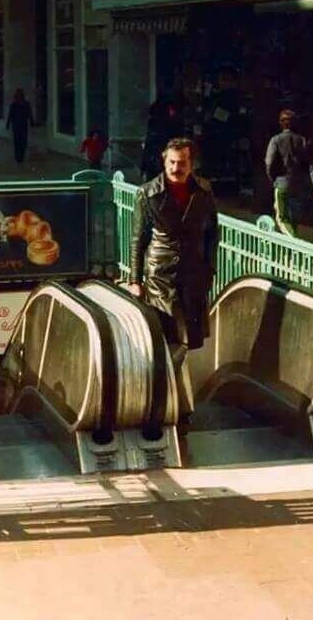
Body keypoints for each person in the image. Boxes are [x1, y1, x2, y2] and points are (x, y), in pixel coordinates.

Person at [128, 137, 219, 423]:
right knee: (168, 339)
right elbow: (137, 240)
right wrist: (135, 279)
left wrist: (209, 269)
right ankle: (168, 405)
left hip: (193, 274)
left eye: (182, 163)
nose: (177, 168)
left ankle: (176, 403)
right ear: (164, 161)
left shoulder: (204, 191)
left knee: (187, 341)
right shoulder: (147, 193)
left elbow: (212, 234)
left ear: (191, 164)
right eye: (172, 163)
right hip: (160, 275)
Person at [264, 109, 313, 237]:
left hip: (282, 183)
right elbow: (311, 166)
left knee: (281, 218)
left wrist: (273, 180)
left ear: (281, 123)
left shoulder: (276, 140)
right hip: (298, 184)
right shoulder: (302, 140)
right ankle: (290, 255)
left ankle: (294, 242)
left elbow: (269, 163)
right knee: (293, 218)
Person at [5, 88, 35, 164]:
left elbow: (29, 114)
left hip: (20, 125)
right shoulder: (17, 104)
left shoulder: (17, 104)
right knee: (20, 141)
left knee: (20, 141)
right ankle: (19, 157)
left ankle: (19, 156)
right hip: (20, 125)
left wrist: (8, 124)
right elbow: (11, 115)